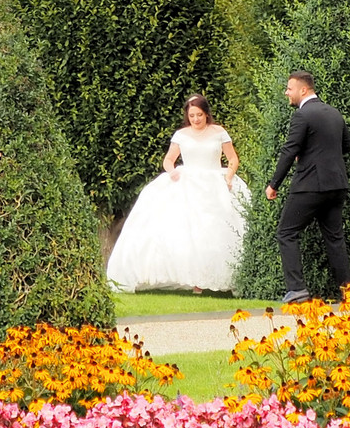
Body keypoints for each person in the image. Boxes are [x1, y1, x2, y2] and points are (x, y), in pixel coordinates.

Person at [106, 95, 250, 293]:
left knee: (215, 230)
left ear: (206, 114)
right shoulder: (181, 135)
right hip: (187, 182)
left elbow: (233, 158)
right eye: (192, 115)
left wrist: (229, 176)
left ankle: (221, 278)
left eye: (199, 115)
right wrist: (172, 171)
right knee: (187, 231)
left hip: (214, 181)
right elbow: (168, 160)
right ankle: (194, 280)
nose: (196, 119)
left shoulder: (219, 132)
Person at [265, 71, 350, 303]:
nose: (286, 92)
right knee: (334, 237)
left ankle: (297, 289)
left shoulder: (302, 115)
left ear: (303, 90)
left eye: (289, 88)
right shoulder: (334, 113)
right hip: (337, 185)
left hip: (310, 186)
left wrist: (274, 184)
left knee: (286, 232)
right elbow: (347, 146)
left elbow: (289, 150)